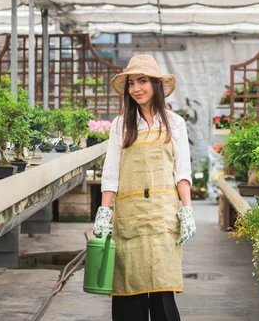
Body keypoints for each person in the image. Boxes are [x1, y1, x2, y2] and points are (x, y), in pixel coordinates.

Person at [92, 54, 196, 321]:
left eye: (142, 81)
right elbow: (111, 172)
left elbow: (182, 172)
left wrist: (187, 211)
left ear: (156, 85)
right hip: (130, 217)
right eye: (131, 83)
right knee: (129, 292)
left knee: (163, 292)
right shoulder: (121, 125)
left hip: (163, 217)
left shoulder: (175, 123)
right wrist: (104, 212)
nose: (136, 88)